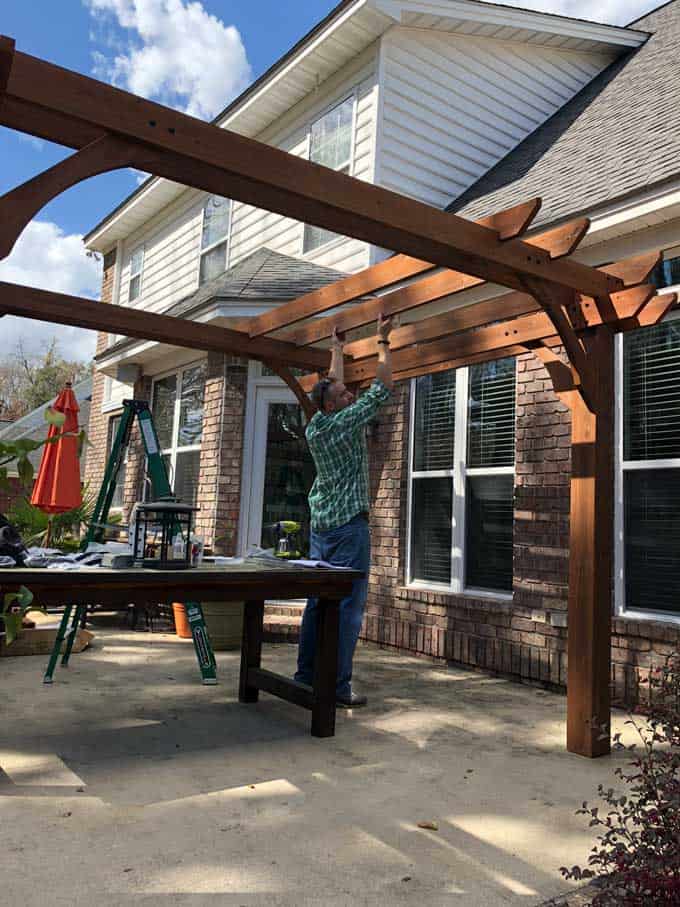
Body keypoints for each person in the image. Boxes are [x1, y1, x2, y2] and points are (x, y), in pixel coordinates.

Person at [294, 313, 393, 708]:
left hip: (322, 528)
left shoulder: (317, 425)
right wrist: (383, 341)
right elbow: (382, 388)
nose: (352, 394)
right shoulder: (346, 421)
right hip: (349, 529)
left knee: (318, 603)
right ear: (336, 406)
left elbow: (330, 387)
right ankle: (336, 685)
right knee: (349, 606)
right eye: (345, 395)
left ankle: (305, 677)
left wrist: (337, 348)